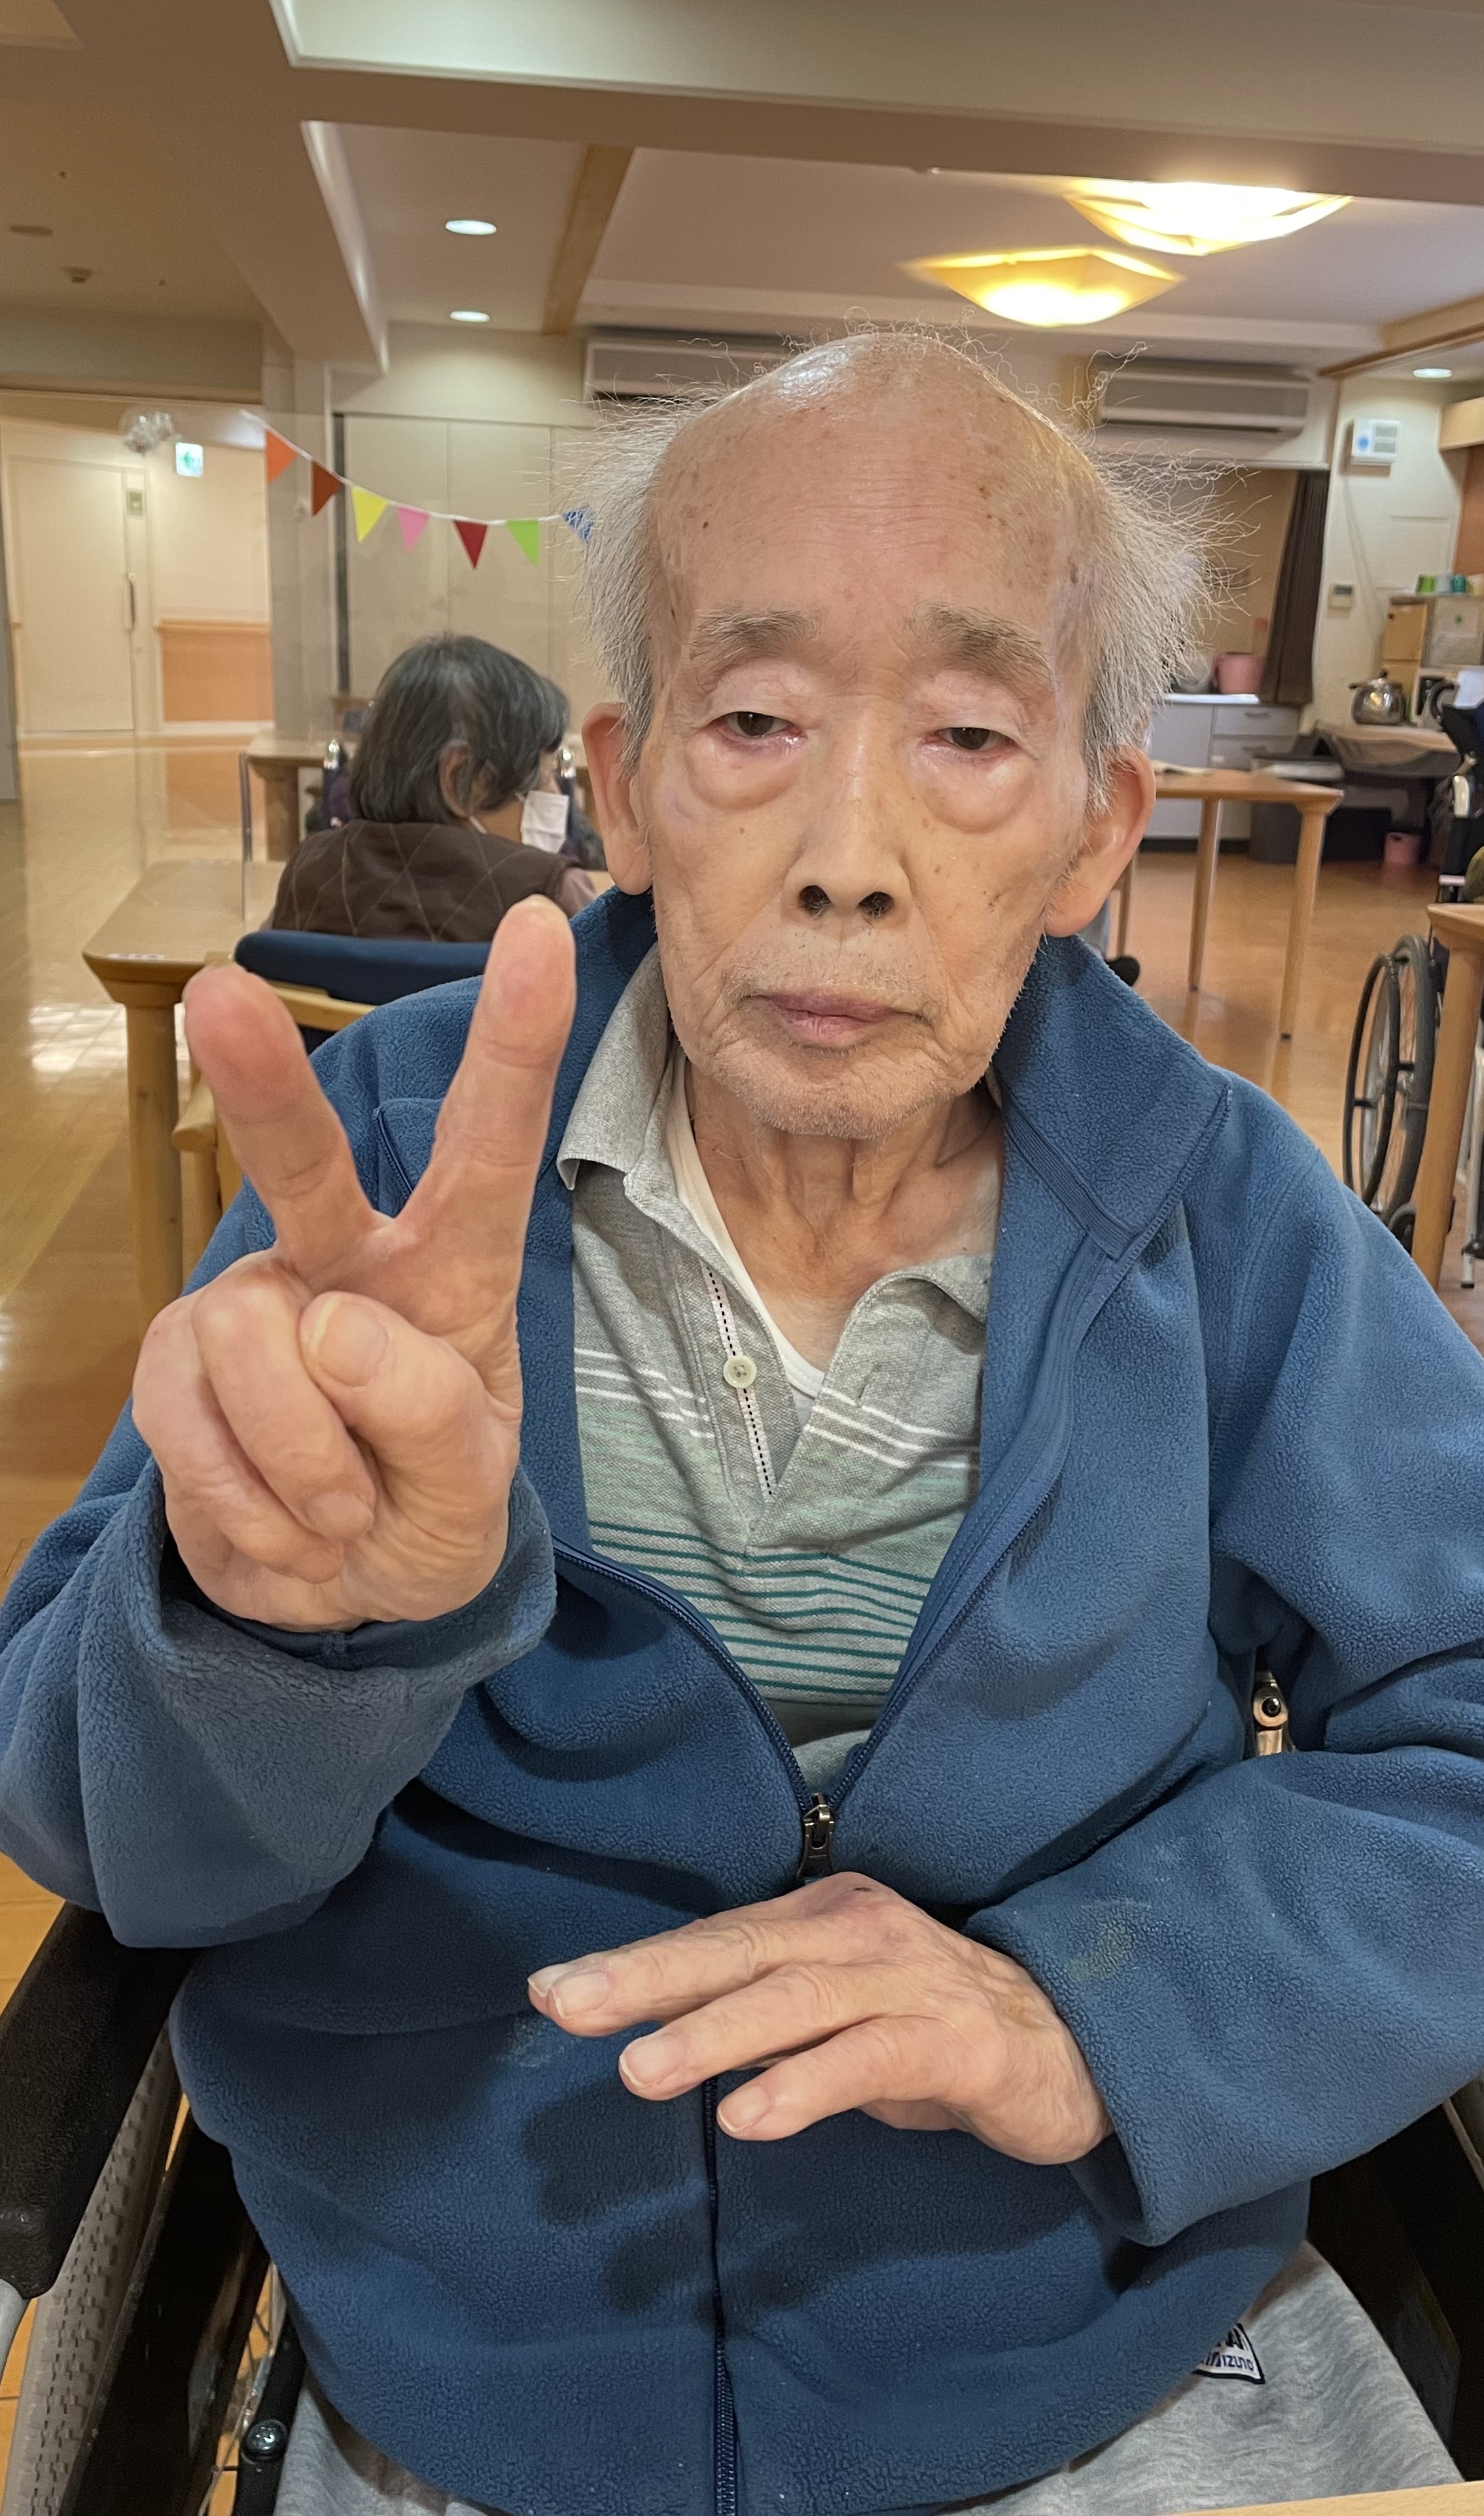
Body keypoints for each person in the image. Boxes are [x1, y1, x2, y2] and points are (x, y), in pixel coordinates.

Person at [3, 333, 1483, 2516]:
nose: (843, 858)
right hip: (465, 2361)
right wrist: (276, 1636)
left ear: (1092, 827)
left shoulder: (1220, 1217)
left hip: (1089, 2350)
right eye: (755, 721)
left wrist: (1093, 2009)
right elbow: (95, 1820)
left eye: (966, 736)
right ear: (618, 789)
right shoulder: (397, 1172)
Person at [268, 632, 596, 939]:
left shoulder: (306, 876)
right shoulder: (554, 892)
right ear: (461, 779)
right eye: (543, 775)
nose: (555, 793)